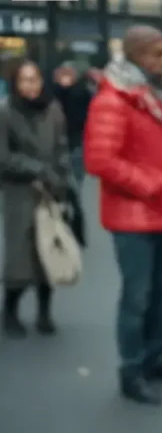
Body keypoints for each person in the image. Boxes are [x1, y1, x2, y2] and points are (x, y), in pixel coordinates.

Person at [84, 25, 162, 405]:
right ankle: (132, 369)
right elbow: (100, 160)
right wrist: (151, 185)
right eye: (158, 54)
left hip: (159, 211)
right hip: (133, 216)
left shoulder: (143, 95)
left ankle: (157, 356)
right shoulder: (113, 100)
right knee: (138, 296)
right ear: (136, 55)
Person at [0, 59, 71, 336]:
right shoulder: (5, 112)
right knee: (19, 255)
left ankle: (44, 312)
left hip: (50, 190)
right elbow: (3, 158)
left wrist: (63, 177)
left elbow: (62, 145)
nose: (31, 86)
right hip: (19, 192)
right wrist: (38, 169)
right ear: (15, 83)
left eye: (35, 79)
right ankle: (10, 311)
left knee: (49, 251)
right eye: (24, 80)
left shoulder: (53, 109)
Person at [51, 62, 94, 186]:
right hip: (59, 137)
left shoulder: (83, 92)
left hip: (77, 136)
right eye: (63, 73)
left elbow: (86, 114)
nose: (66, 77)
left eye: (69, 73)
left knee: (77, 171)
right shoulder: (55, 91)